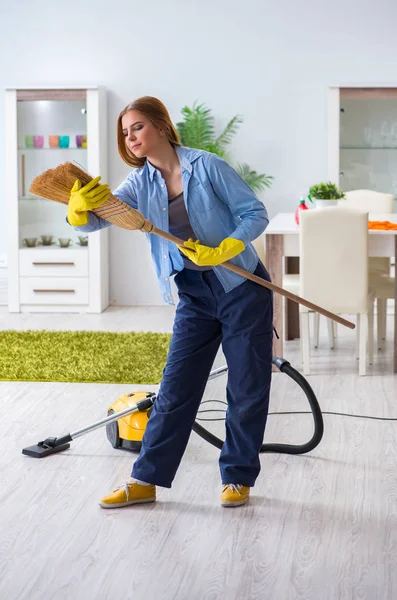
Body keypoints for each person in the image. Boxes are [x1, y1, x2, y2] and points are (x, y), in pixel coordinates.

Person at [68, 96, 273, 508]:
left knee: (246, 387)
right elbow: (94, 220)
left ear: (161, 126)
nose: (131, 138)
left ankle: (236, 477)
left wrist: (228, 246)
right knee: (175, 387)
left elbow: (255, 212)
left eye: (138, 127)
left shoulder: (207, 165)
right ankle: (145, 480)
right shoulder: (138, 185)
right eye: (125, 133)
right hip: (194, 295)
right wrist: (77, 209)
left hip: (241, 287)